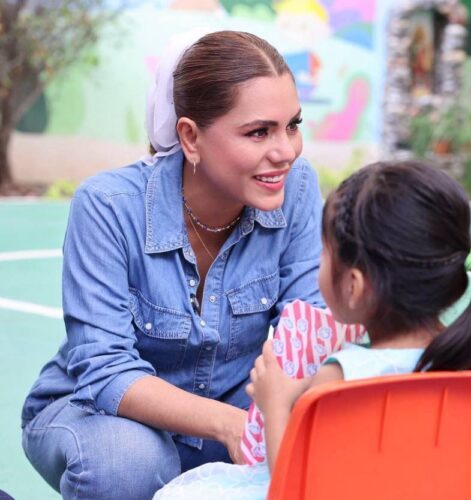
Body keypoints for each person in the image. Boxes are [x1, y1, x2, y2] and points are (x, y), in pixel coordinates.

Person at [20, 31, 324, 499]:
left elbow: (308, 333)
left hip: (236, 418)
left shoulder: (298, 189)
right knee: (128, 464)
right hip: (100, 417)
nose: (286, 151)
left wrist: (274, 421)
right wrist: (232, 425)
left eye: (292, 125)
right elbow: (106, 372)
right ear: (189, 136)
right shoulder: (108, 206)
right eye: (259, 131)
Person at [153, 160, 471, 499]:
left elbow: (298, 489)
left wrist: (276, 403)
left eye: (325, 252)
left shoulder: (342, 378)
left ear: (354, 286)